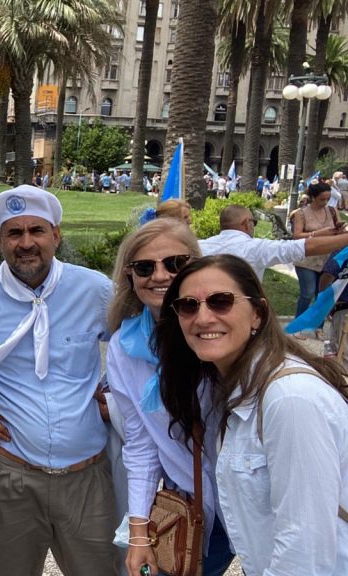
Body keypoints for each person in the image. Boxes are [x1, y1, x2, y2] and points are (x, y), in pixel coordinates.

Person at [0, 186, 117, 576]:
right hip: (9, 480)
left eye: (37, 230)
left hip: (87, 478)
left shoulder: (95, 290)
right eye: (14, 233)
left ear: (56, 236)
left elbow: (136, 347)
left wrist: (114, 394)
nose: (26, 243)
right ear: (0, 240)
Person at [156, 254, 348, 576]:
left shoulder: (289, 399)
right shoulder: (235, 388)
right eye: (188, 306)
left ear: (257, 313)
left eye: (220, 301)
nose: (203, 317)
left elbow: (304, 551)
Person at [104, 220, 237, 576]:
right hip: (192, 503)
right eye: (145, 267)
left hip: (250, 496)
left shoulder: (221, 330)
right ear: (129, 276)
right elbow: (142, 443)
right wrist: (138, 532)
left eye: (175, 263)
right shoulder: (124, 349)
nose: (160, 276)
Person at [200, 204, 348, 281]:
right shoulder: (257, 248)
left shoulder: (199, 246)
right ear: (246, 223)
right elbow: (303, 247)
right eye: (254, 222)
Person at [292, 182, 343, 328]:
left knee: (322, 295)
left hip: (327, 260)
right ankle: (299, 325)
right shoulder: (301, 213)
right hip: (306, 259)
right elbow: (296, 236)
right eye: (322, 199)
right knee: (307, 293)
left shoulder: (332, 211)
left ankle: (318, 326)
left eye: (328, 199)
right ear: (313, 197)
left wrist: (339, 229)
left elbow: (338, 231)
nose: (325, 202)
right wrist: (318, 233)